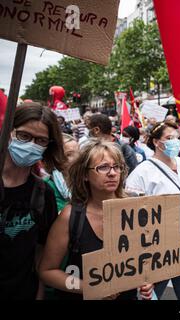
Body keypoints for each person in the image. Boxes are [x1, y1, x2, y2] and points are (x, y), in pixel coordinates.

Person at [39, 141, 154, 300]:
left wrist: (147, 281)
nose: (112, 173)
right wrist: (88, 288)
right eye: (103, 167)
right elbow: (47, 272)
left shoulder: (135, 210)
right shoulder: (70, 216)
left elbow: (145, 259)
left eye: (117, 167)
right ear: (85, 174)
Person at [125, 121, 180, 300]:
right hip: (158, 253)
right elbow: (131, 218)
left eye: (177, 138)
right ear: (156, 142)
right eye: (169, 138)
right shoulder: (141, 173)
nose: (175, 142)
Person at [0, 102, 66, 300]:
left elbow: (40, 250)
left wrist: (38, 294)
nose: (31, 145)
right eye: (24, 136)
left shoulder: (43, 193)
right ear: (9, 133)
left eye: (41, 141)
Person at [44, 134, 80, 213]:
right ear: (55, 158)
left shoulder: (86, 180)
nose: (78, 158)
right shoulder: (46, 186)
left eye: (79, 152)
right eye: (69, 154)